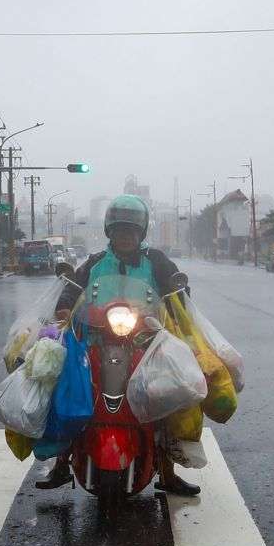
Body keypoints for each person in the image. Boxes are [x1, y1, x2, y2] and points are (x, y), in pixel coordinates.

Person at [34, 194, 201, 497]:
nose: (125, 237)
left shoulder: (157, 262)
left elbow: (174, 287)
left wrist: (179, 294)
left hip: (147, 343)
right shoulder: (95, 264)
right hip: (97, 340)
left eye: (132, 232)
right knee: (71, 388)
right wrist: (63, 306)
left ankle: (168, 472)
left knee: (166, 395)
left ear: (141, 234)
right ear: (110, 233)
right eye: (120, 231)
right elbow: (73, 289)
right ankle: (60, 463)